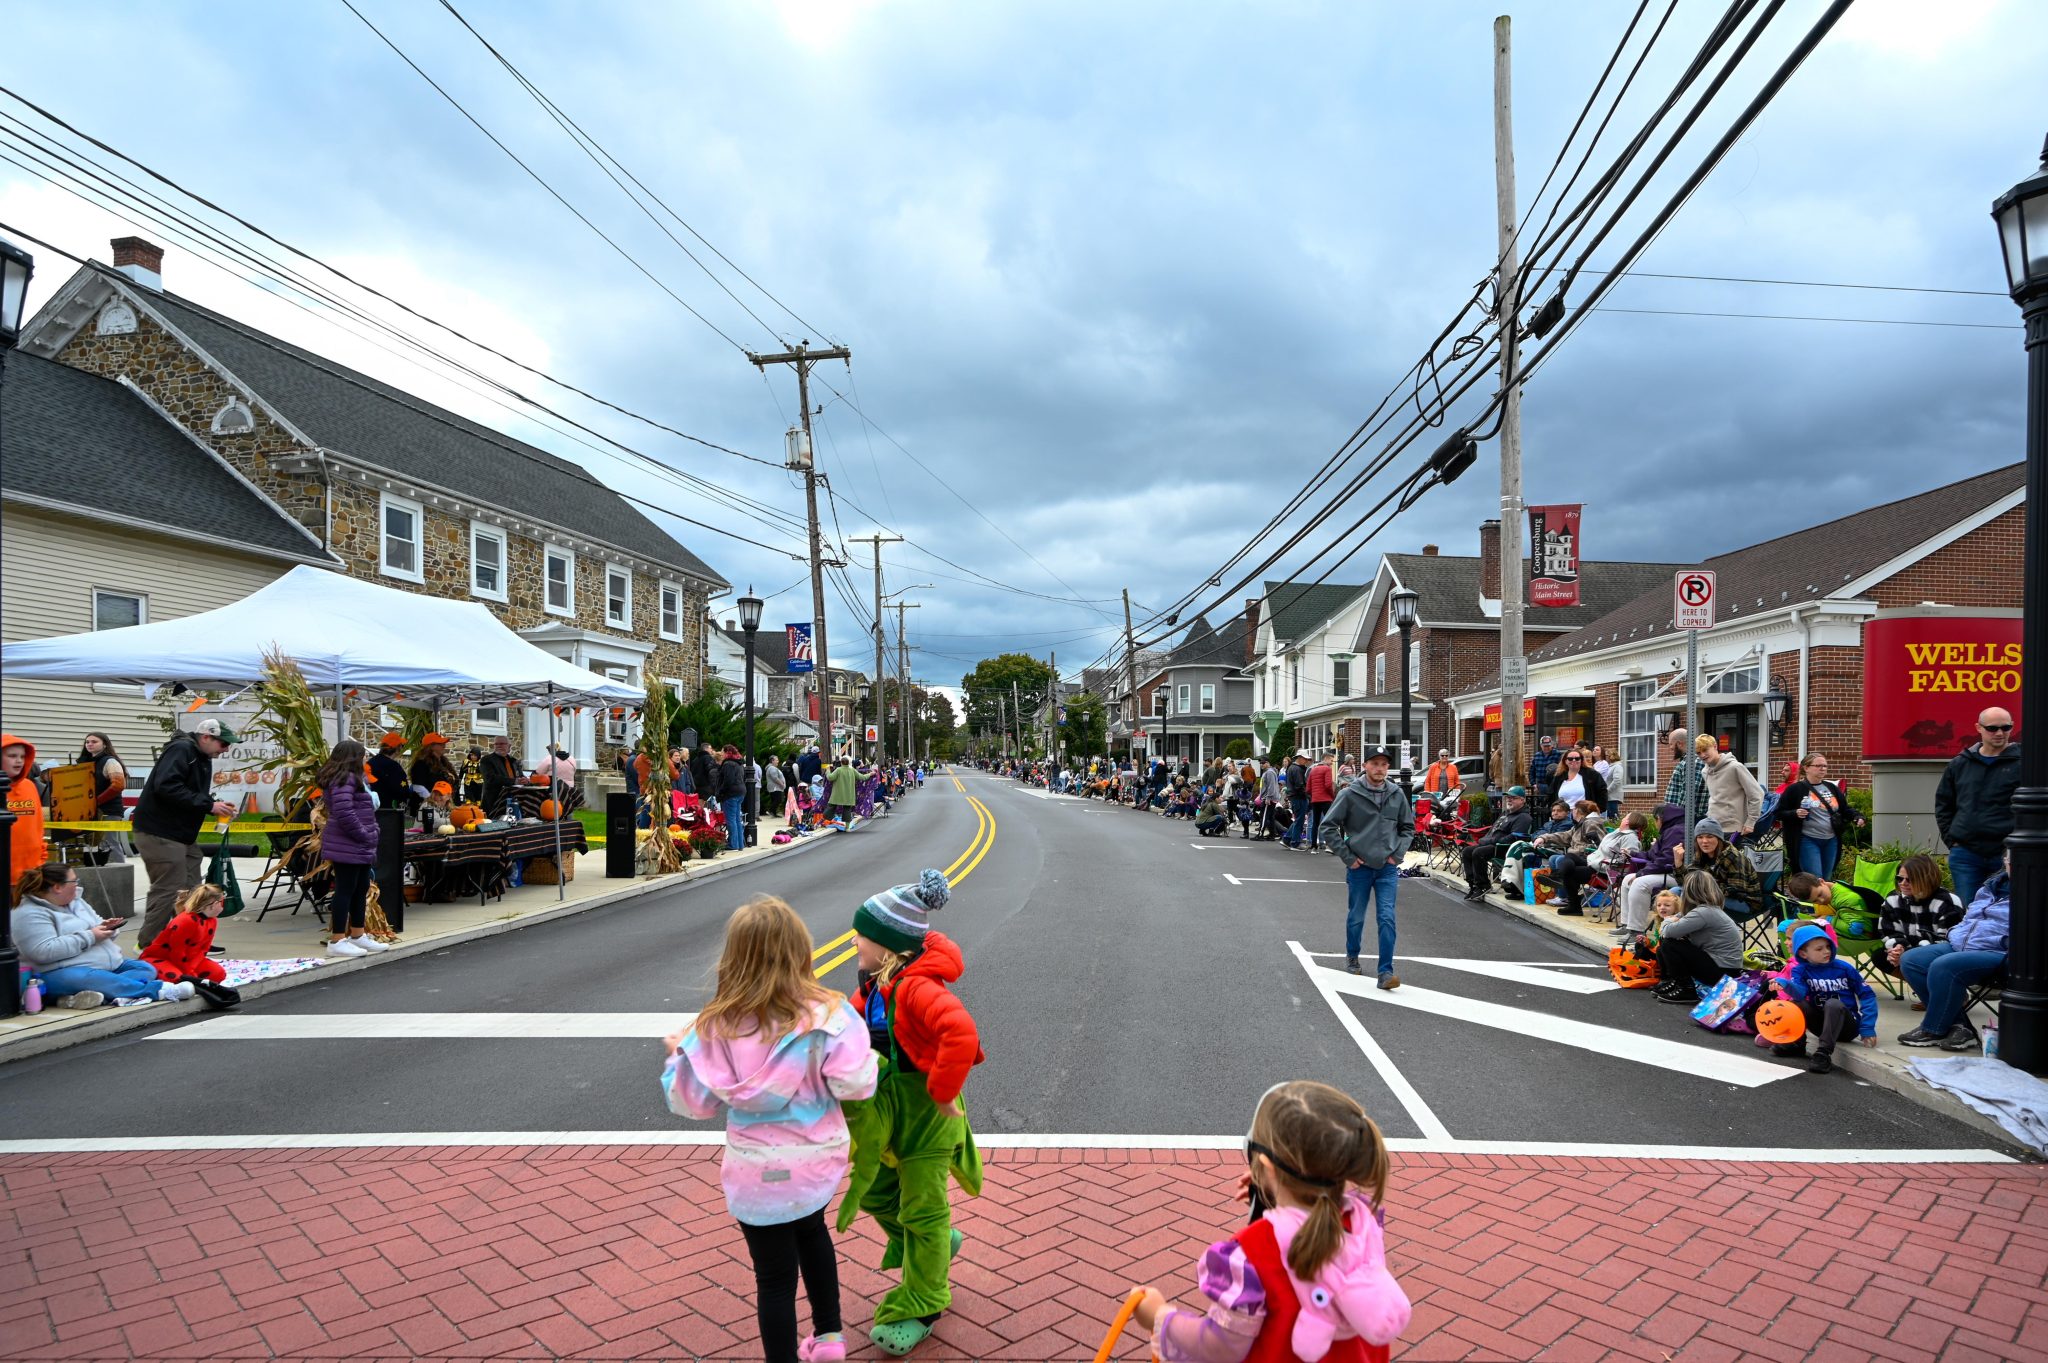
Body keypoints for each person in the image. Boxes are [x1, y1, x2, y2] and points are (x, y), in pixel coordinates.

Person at [662, 896, 878, 1363]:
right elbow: (856, 1084)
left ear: (734, 958)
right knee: (813, 1234)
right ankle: (830, 1339)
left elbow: (692, 1103)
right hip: (816, 1163)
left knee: (774, 1280)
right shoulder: (829, 1016)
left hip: (756, 1175)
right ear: (801, 952)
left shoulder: (715, 1027)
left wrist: (680, 1053)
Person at [1134, 1080, 1410, 1363]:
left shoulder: (1248, 1255)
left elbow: (1219, 1349)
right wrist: (1272, 1189)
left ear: (1266, 1166)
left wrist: (1160, 1316)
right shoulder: (1365, 1222)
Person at [839, 869, 983, 1355]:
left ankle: (924, 1302)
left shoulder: (918, 988)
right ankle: (937, 1244)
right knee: (877, 1193)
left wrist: (943, 1093)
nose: (855, 939)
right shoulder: (877, 981)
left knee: (922, 1211)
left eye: (862, 933)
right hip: (891, 1116)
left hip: (926, 1119)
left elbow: (960, 1033)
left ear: (888, 943)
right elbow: (850, 1022)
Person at [11, 862, 190, 1008]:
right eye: (74, 881)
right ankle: (158, 990)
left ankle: (91, 996)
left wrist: (107, 928)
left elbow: (96, 925)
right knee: (97, 979)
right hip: (55, 973)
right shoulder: (29, 913)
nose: (77, 885)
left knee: (146, 969)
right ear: (58, 887)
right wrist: (91, 936)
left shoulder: (76, 902)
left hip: (103, 965)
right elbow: (42, 951)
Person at [131, 718, 238, 949]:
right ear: (206, 737)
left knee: (193, 890)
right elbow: (166, 786)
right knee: (170, 889)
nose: (226, 749)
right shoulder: (182, 750)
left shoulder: (201, 755)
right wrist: (208, 805)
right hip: (160, 831)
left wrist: (214, 806)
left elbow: (188, 793)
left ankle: (191, 941)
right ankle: (149, 945)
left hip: (180, 834)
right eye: (223, 744)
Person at [1320, 749, 1415, 989]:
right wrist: (1348, 857)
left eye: (1384, 764)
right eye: (1375, 763)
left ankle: (1386, 972)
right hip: (1359, 867)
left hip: (1387, 869)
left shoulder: (1396, 794)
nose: (1380, 768)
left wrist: (1397, 855)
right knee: (1356, 917)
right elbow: (1328, 826)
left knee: (1387, 917)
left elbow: (1408, 828)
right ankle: (1352, 955)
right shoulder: (1350, 794)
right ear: (1365, 765)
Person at [1897, 856, 2011, 1050]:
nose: (2012, 863)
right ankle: (1960, 1027)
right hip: (1962, 944)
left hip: (1998, 951)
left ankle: (1933, 1028)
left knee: (1944, 965)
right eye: (2009, 858)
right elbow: (1970, 918)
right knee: (1911, 959)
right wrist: (1955, 933)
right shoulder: (1990, 886)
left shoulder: (2034, 889)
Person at [1934, 707, 2021, 910]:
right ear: (1978, 728)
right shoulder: (1959, 764)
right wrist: (1953, 841)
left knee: (2008, 912)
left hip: (2007, 853)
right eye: (1992, 728)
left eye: (2006, 727)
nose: (2000, 733)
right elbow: (1944, 804)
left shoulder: (2024, 764)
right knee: (1970, 912)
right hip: (1966, 854)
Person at [1765, 925, 1880, 1074]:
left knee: (1832, 1004)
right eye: (1819, 949)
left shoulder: (1844, 968)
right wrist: (1785, 983)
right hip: (1821, 1024)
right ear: (1803, 953)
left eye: (1828, 946)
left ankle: (1823, 1054)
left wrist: (1867, 1028)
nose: (1827, 951)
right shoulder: (1801, 970)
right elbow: (1799, 994)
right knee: (1797, 1003)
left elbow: (1867, 995)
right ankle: (1797, 1044)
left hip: (1847, 1026)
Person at [316, 739, 388, 959]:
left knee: (360, 887)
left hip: (359, 843)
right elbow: (344, 812)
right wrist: (364, 834)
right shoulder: (344, 779)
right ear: (353, 757)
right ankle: (338, 939)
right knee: (345, 889)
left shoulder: (352, 779)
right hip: (349, 842)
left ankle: (358, 934)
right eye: (362, 755)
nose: (366, 758)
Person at [1652, 870, 1744, 1005]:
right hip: (1726, 969)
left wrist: (1667, 919)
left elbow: (1667, 931)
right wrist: (1676, 918)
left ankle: (1686, 989)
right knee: (1667, 945)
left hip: (1722, 972)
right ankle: (1674, 982)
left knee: (1669, 944)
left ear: (1690, 891)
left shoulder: (1703, 912)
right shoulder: (1708, 909)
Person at [1872, 854, 1966, 985]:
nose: (1902, 883)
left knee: (1912, 959)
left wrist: (1910, 954)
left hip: (1941, 953)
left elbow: (1949, 942)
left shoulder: (1947, 901)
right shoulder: (1893, 899)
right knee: (1880, 957)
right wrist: (1898, 947)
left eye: (1909, 880)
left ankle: (1946, 992)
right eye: (1899, 878)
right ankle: (1928, 991)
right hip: (1912, 949)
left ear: (1926, 879)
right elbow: (1889, 931)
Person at [138, 882, 235, 1006]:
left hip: (187, 959)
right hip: (161, 958)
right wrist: (190, 973)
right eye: (222, 902)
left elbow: (203, 949)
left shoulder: (211, 920)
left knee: (217, 973)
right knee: (177, 979)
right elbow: (177, 952)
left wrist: (192, 970)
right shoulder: (185, 921)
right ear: (214, 904)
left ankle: (191, 981)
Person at [1776, 753, 1861, 880]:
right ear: (1806, 768)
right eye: (1818, 766)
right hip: (1807, 839)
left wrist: (1857, 817)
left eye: (1825, 766)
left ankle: (1822, 900)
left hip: (1831, 839)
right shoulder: (1795, 789)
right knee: (1816, 879)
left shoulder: (1831, 787)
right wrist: (1795, 813)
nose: (1823, 769)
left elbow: (1844, 809)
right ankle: (1813, 900)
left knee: (1826, 878)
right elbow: (1778, 812)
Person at [1616, 805, 1687, 941]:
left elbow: (1667, 859)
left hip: (1675, 874)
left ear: (1660, 818)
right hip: (1664, 871)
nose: (1655, 823)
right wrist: (1632, 853)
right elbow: (1652, 855)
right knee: (1627, 880)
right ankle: (1627, 924)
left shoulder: (1677, 831)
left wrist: (1642, 873)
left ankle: (1636, 931)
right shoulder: (1670, 830)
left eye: (1655, 820)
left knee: (1639, 883)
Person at [1459, 786, 1534, 903]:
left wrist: (1490, 841)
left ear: (1522, 800)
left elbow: (1514, 838)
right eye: (1508, 797)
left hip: (1505, 849)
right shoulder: (1505, 814)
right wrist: (1485, 839)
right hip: (1492, 844)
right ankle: (1473, 884)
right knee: (1467, 851)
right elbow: (1492, 830)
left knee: (1479, 852)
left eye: (1513, 798)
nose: (1509, 800)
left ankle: (1483, 885)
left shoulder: (1524, 817)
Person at [1682, 817, 1760, 919]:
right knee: (1676, 892)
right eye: (1700, 837)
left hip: (1744, 903)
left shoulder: (1734, 857)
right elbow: (1686, 882)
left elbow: (1736, 891)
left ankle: (1688, 930)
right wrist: (1678, 864)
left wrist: (1702, 889)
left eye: (1709, 837)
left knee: (1698, 902)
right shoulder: (1700, 856)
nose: (1704, 841)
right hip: (1711, 897)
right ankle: (1674, 930)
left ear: (1719, 838)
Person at [78, 732, 130, 863]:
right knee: (93, 845)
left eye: (94, 741)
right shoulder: (85, 763)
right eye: (87, 742)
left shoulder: (110, 761)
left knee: (109, 843)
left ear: (105, 744)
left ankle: (120, 875)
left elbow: (118, 785)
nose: (89, 744)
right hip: (90, 811)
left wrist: (95, 802)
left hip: (109, 811)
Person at [1698, 739, 1763, 841]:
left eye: (1705, 750)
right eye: (1698, 753)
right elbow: (1715, 797)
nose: (1702, 755)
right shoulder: (1705, 771)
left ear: (1715, 746)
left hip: (1733, 827)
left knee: (1728, 857)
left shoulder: (1735, 767)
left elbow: (1756, 794)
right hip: (1712, 826)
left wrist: (1751, 822)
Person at [4, 733, 48, 879]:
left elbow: (38, 827)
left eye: (22, 756)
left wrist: (41, 860)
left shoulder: (29, 786)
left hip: (31, 874)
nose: (19, 761)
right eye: (12, 756)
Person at [1662, 728, 1707, 826]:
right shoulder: (1687, 761)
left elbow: (1689, 794)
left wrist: (1677, 819)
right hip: (1686, 818)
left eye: (1671, 744)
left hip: (1690, 819)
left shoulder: (1693, 762)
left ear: (1680, 743)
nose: (1670, 748)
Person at [1550, 748, 1607, 812]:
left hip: (1585, 814)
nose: (1574, 760)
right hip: (1563, 815)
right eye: (1570, 759)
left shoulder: (1592, 774)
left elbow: (1602, 792)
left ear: (1581, 760)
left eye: (1577, 758)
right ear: (1565, 761)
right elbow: (1551, 794)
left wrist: (1598, 810)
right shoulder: (1559, 776)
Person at [408, 732, 460, 802]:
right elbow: (418, 786)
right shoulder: (421, 764)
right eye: (440, 744)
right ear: (431, 746)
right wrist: (432, 801)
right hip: (429, 808)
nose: (444, 745)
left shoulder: (444, 763)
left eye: (443, 743)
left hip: (447, 805)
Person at [368, 733, 412, 811]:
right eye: (401, 746)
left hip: (370, 808)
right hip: (388, 810)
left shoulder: (370, 763)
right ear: (397, 748)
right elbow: (402, 790)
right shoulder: (394, 767)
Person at [478, 736, 519, 819]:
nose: (499, 746)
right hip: (495, 800)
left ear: (509, 746)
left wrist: (524, 780)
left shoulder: (513, 761)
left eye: (502, 744)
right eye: (496, 744)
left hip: (513, 799)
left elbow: (519, 775)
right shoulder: (487, 760)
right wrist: (514, 781)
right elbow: (490, 778)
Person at [718, 745, 749, 851]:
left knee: (731, 819)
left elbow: (728, 781)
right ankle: (740, 844)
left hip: (730, 794)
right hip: (740, 792)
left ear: (727, 752)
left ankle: (733, 844)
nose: (721, 754)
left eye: (722, 752)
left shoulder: (728, 764)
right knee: (736, 819)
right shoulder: (738, 763)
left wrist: (720, 791)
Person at [1306, 751, 1337, 855]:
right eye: (1331, 760)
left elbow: (1308, 788)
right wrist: (1332, 796)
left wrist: (1314, 795)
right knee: (1329, 822)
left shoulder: (1313, 770)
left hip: (1315, 800)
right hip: (1326, 799)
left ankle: (1314, 847)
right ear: (1326, 759)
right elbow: (1328, 785)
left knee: (1315, 823)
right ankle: (1330, 845)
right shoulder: (1327, 769)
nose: (1332, 763)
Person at [1281, 754, 1311, 850]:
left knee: (1298, 819)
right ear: (1300, 758)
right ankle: (1295, 843)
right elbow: (1299, 785)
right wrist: (1307, 795)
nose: (1306, 761)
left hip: (1294, 796)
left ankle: (1287, 839)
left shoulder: (1292, 768)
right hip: (1299, 797)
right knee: (1299, 820)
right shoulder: (1297, 769)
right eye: (1305, 759)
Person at [1528, 734, 1561, 808]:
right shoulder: (1537, 756)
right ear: (1541, 746)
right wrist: (1533, 784)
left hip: (1553, 785)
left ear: (1551, 745)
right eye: (1544, 746)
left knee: (1554, 805)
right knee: (1541, 806)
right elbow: (1531, 771)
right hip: (1540, 785)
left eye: (1548, 746)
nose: (1547, 748)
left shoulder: (1558, 754)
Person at [827, 756, 860, 826]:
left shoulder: (839, 770)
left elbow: (830, 778)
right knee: (847, 810)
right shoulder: (852, 770)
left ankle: (826, 821)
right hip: (849, 795)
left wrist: (827, 771)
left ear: (841, 763)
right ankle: (847, 827)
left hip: (838, 794)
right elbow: (862, 777)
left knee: (831, 807)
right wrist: (870, 774)